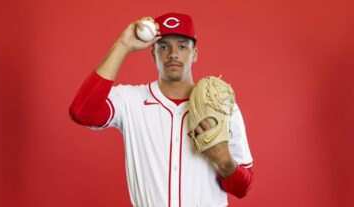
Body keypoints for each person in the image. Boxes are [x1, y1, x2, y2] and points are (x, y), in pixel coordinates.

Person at [69, 12, 254, 207]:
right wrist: (123, 45)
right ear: (153, 54)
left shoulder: (222, 105)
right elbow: (81, 112)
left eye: (182, 46)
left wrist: (225, 162)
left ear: (195, 54)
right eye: (163, 46)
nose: (173, 54)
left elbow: (243, 189)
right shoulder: (130, 100)